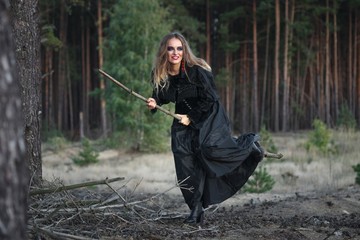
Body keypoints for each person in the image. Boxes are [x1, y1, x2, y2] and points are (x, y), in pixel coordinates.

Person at [146, 32, 264, 225]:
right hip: (181, 118)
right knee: (184, 163)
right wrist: (153, 102)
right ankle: (195, 209)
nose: (175, 52)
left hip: (208, 115)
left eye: (179, 48)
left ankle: (248, 147)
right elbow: (161, 96)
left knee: (208, 150)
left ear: (184, 50)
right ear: (164, 51)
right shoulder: (161, 73)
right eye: (170, 48)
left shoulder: (197, 71)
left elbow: (211, 99)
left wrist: (191, 118)